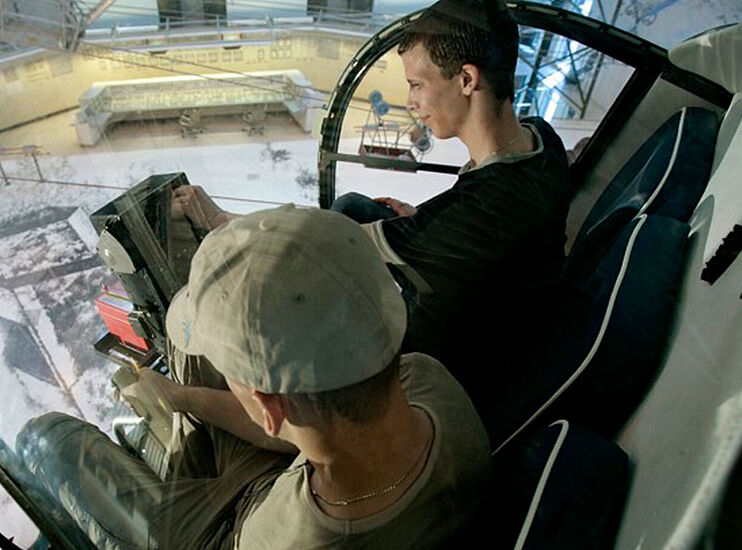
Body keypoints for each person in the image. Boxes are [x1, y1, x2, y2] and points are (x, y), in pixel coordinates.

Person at [18, 205, 490, 549]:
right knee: (187, 365)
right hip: (336, 481)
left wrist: (181, 399)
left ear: (270, 408)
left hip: (230, 528)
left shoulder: (287, 538)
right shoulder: (430, 381)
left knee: (47, 439)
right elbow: (301, 436)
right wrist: (182, 398)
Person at [172, 0, 572, 403]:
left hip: (434, 363)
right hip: (491, 302)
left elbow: (316, 241)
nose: (411, 102)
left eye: (417, 85)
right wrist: (423, 218)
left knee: (297, 286)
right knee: (350, 207)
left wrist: (222, 220)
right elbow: (485, 229)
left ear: (467, 79)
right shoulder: (540, 139)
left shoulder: (486, 207)